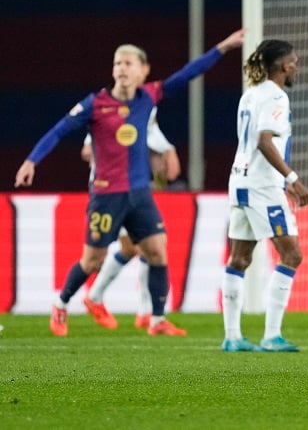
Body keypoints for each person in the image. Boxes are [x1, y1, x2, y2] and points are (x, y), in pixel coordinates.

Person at [15, 28, 245, 337]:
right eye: (117, 63)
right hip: (107, 195)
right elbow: (58, 130)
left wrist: (224, 47)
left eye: (128, 63)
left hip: (140, 194)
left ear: (143, 70)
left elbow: (188, 74)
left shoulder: (148, 97)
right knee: (92, 259)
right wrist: (32, 161)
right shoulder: (94, 104)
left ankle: (157, 320)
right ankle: (61, 303)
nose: (121, 68)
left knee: (157, 252)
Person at [220, 39, 308, 353]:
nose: (296, 64)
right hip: (262, 187)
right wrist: (292, 178)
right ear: (284, 66)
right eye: (294, 60)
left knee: (240, 258)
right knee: (292, 254)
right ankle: (272, 335)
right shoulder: (276, 96)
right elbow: (264, 141)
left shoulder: (250, 95)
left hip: (240, 182)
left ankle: (232, 337)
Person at [79, 55, 182, 331]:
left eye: (131, 66)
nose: (126, 71)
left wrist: (166, 153)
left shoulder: (145, 108)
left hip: (133, 188)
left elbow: (160, 146)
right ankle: (95, 298)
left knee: (146, 246)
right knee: (132, 249)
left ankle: (144, 311)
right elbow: (87, 148)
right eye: (121, 65)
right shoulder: (106, 106)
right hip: (108, 189)